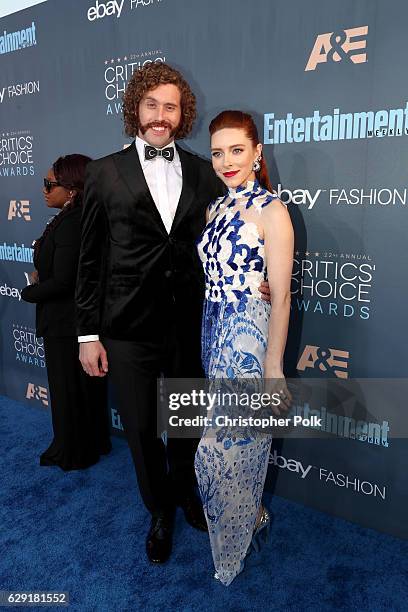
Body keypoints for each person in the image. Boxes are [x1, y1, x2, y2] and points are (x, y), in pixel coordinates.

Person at [76, 63, 271, 564]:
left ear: (182, 114)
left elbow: (233, 234)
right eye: (151, 105)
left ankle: (186, 493)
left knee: (184, 421)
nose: (160, 116)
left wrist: (259, 279)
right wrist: (87, 335)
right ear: (135, 109)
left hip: (189, 323)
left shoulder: (205, 172)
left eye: (171, 107)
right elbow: (90, 259)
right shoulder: (101, 172)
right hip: (126, 329)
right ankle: (159, 510)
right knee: (142, 429)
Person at [194, 110, 294, 585]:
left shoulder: (272, 211)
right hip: (212, 329)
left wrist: (273, 365)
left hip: (246, 336)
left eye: (237, 150)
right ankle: (250, 516)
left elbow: (282, 296)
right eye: (217, 152)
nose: (226, 161)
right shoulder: (216, 209)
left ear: (257, 152)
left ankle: (239, 536)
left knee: (215, 451)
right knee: (237, 443)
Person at [21, 155, 112, 471]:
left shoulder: (73, 224)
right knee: (80, 390)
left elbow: (63, 282)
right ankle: (92, 443)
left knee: (69, 391)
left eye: (50, 184)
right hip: (71, 322)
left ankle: (75, 451)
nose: (44, 190)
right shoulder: (72, 218)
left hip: (66, 323)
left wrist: (29, 291)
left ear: (72, 190)